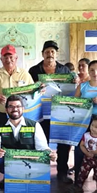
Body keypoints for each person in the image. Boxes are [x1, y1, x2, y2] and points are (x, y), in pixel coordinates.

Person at [0, 95, 57, 193]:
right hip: (8, 162)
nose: (15, 109)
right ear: (6, 109)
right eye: (11, 106)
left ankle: (18, 181)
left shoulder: (34, 125)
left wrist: (50, 154)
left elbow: (43, 147)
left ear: (23, 108)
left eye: (18, 106)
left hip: (29, 163)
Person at [29, 40, 75, 184]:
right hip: (41, 114)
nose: (50, 54)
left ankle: (62, 172)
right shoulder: (34, 70)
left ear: (56, 54)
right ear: (42, 54)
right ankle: (39, 172)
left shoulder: (65, 71)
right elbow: (29, 91)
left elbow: (70, 91)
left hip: (60, 113)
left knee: (63, 143)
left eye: (53, 52)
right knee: (39, 141)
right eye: (47, 52)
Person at [72, 60, 97, 182]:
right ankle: (78, 178)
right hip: (84, 122)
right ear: (88, 71)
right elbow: (74, 104)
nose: (95, 73)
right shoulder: (82, 86)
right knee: (80, 149)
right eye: (92, 70)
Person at [0, 45, 34, 127]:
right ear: (1, 59)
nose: (8, 60)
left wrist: (40, 89)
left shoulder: (24, 74)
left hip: (21, 115)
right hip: (1, 114)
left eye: (11, 57)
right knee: (1, 137)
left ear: (16, 58)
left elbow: (33, 91)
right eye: (5, 57)